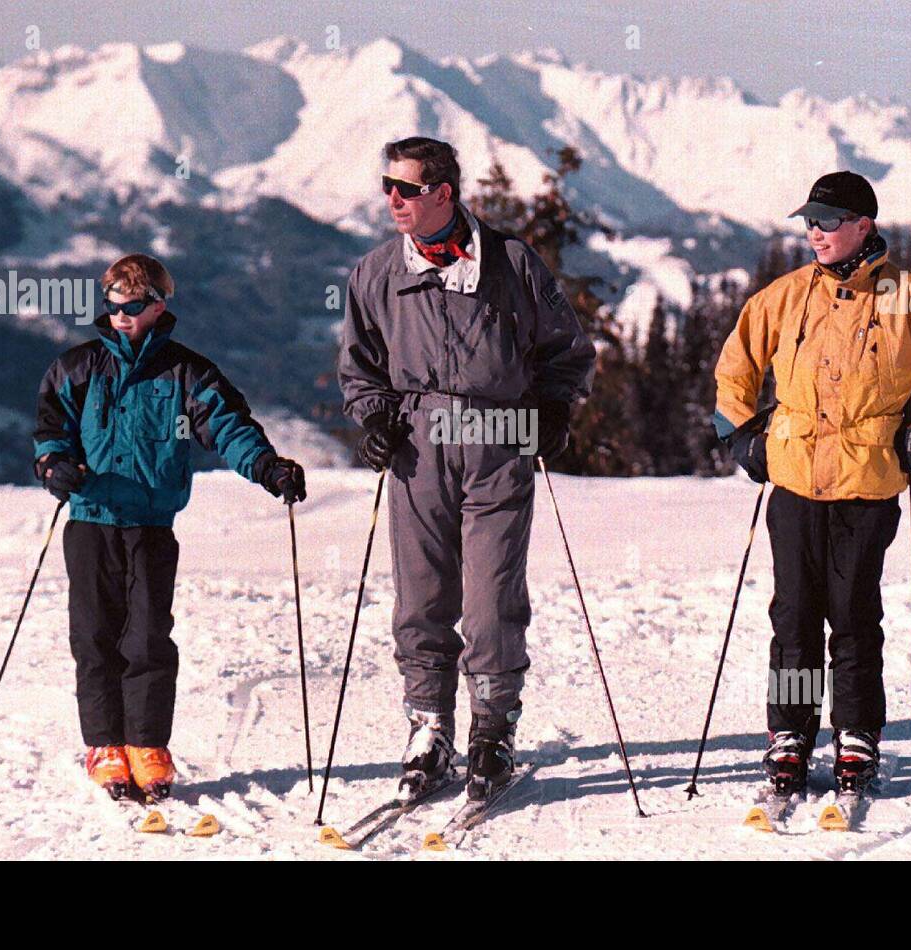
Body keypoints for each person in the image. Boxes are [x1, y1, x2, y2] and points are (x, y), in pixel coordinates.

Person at [714, 171, 911, 794]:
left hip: (867, 486)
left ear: (863, 226)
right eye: (809, 221)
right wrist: (739, 435)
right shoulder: (784, 297)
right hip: (791, 484)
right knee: (792, 618)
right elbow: (733, 368)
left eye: (828, 221)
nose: (814, 232)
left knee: (851, 616)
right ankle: (789, 733)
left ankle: (857, 734)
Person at [338, 137, 596, 802]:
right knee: (421, 602)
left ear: (443, 194)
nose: (392, 199)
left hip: (497, 441)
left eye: (406, 188)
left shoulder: (511, 263)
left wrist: (553, 411)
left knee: (489, 604)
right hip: (417, 449)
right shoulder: (374, 272)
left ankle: (491, 726)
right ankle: (428, 726)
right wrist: (374, 419)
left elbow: (566, 348)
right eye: (386, 185)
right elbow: (360, 365)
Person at [33, 253, 306, 800]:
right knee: (94, 637)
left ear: (158, 305)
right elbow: (50, 428)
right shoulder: (78, 367)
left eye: (132, 307)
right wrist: (53, 464)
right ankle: (105, 745)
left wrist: (267, 466)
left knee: (149, 637)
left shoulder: (186, 372)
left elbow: (228, 427)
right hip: (91, 520)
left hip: (152, 525)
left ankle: (147, 744)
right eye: (112, 307)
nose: (121, 317)